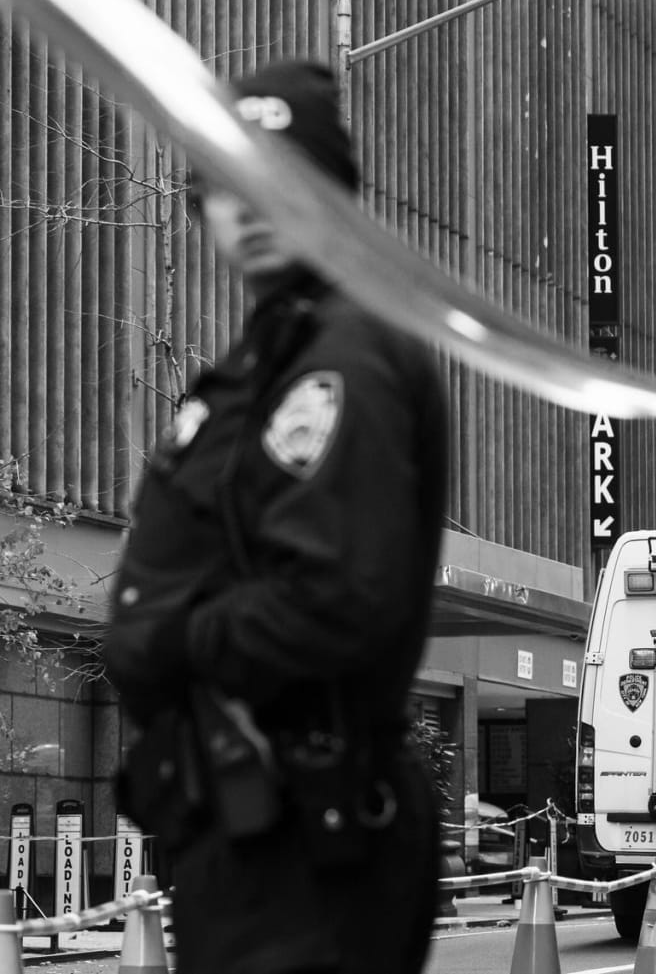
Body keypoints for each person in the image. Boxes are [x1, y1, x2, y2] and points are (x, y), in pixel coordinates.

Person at [103, 59, 448, 974]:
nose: (250, 207)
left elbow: (334, 592)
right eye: (227, 182)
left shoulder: (345, 354)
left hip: (309, 830)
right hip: (254, 825)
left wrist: (170, 638)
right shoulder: (270, 356)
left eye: (280, 180)